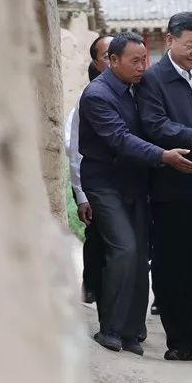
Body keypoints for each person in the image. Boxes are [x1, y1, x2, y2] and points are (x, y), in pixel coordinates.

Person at [78, 32, 192, 355]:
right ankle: (110, 329)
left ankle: (132, 332)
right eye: (134, 61)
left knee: (140, 253)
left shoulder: (138, 88)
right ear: (112, 61)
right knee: (124, 249)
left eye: (144, 60)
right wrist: (163, 156)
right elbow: (120, 139)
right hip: (105, 183)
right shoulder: (97, 95)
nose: (142, 67)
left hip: (136, 182)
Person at [135, 12, 192, 361]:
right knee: (174, 266)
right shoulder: (152, 81)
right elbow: (153, 124)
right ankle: (180, 340)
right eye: (189, 45)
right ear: (169, 40)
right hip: (170, 191)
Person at [74, 34, 112, 304]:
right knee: (98, 236)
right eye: (108, 56)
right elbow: (76, 150)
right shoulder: (89, 99)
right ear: (97, 63)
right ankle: (93, 286)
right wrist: (81, 196)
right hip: (98, 186)